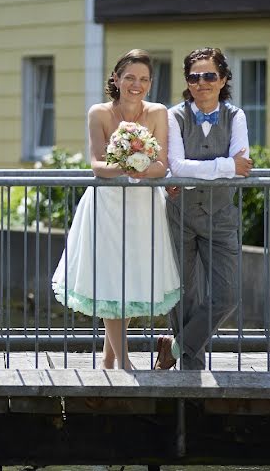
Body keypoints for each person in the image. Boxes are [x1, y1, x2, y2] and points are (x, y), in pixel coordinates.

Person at [52, 49, 181, 370]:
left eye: (143, 79)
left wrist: (142, 169)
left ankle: (109, 358)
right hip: (106, 205)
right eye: (129, 78)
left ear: (150, 83)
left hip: (143, 207)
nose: (136, 85)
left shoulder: (158, 112)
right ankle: (122, 361)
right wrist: (126, 164)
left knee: (133, 277)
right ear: (116, 79)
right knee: (111, 278)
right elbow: (97, 164)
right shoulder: (99, 113)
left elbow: (161, 164)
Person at [154, 47, 254, 371]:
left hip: (221, 217)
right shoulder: (173, 116)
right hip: (179, 214)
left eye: (210, 75)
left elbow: (244, 165)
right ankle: (190, 379)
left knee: (227, 296)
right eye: (194, 77)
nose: (202, 83)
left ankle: (175, 345)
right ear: (187, 81)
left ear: (223, 79)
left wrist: (194, 170)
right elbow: (178, 166)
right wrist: (226, 166)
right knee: (182, 298)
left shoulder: (236, 116)